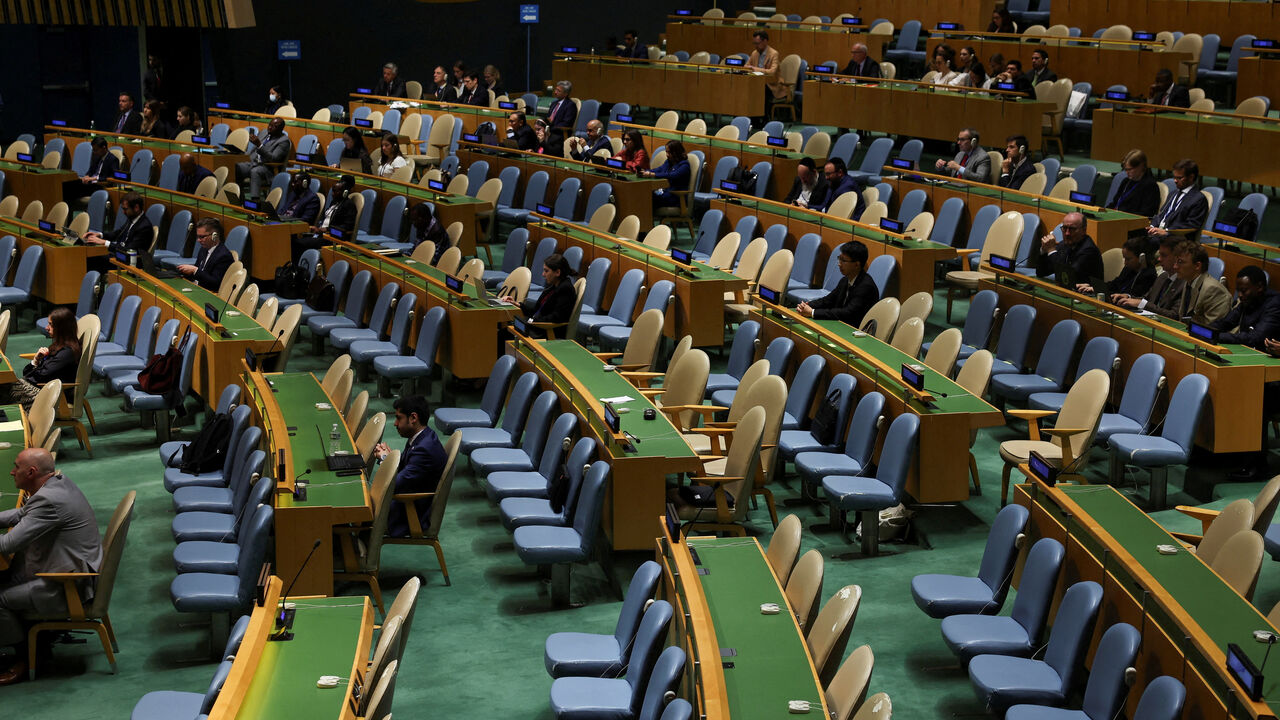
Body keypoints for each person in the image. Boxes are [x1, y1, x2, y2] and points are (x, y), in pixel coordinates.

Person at [0, 448, 102, 683]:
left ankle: (25, 657)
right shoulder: (57, 484)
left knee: (0, 599)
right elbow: (20, 515)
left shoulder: (48, 500)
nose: (12, 472)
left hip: (66, 583)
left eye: (17, 467)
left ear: (31, 472)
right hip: (64, 567)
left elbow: (7, 544)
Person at [373, 396, 447, 538]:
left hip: (407, 513)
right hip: (405, 503)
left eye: (398, 418)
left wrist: (383, 459)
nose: (395, 423)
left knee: (354, 514)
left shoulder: (424, 449)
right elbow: (407, 470)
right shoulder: (423, 437)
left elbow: (393, 485)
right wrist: (389, 459)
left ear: (413, 418)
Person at [7, 308, 82, 409]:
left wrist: (35, 369)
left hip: (48, 394)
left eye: (51, 325)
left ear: (62, 328)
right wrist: (36, 360)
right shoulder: (58, 346)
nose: (47, 328)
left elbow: (40, 376)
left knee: (4, 388)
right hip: (39, 387)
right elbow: (30, 374)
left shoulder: (67, 353)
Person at [795, 240, 878, 327]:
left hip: (855, 330)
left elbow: (848, 313)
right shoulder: (845, 280)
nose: (839, 264)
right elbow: (828, 300)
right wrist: (807, 305)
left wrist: (812, 312)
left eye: (844, 260)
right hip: (841, 324)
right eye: (839, 259)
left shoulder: (865, 286)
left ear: (856, 264)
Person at [501, 253, 578, 337]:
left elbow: (557, 318)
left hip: (547, 332)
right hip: (537, 326)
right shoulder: (553, 285)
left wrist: (532, 320)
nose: (543, 274)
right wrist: (518, 304)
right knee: (504, 332)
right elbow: (536, 310)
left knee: (503, 335)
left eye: (546, 271)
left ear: (557, 272)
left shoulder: (565, 289)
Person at [1158, 240, 1232, 324]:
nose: (1175, 266)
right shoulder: (1189, 282)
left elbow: (1211, 329)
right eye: (1175, 262)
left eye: (1180, 262)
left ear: (1197, 265)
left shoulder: (1213, 290)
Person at [1112, 235, 1183, 313]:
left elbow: (1173, 315)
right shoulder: (1163, 277)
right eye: (1160, 255)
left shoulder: (1184, 284)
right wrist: (1128, 297)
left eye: (1164, 255)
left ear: (1177, 258)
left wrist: (1142, 304)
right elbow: (1146, 298)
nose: (1159, 259)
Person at [1214, 265, 1280, 347]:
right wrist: (1205, 330)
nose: (1240, 295)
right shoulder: (1248, 301)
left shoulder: (1275, 305)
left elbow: (1256, 338)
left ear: (1259, 287)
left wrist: (1216, 336)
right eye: (1238, 291)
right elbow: (1225, 323)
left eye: (1243, 291)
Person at [1036, 212, 1104, 286]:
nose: (1067, 233)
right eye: (1064, 228)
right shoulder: (1064, 245)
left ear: (1083, 230)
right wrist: (1044, 250)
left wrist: (1052, 251)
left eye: (1072, 229)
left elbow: (1067, 277)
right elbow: (1041, 272)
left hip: (1086, 294)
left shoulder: (1089, 250)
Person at [1077, 236, 1156, 298]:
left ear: (1141, 258)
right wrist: (1093, 287)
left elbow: (1132, 296)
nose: (1125, 263)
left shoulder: (1149, 275)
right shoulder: (1129, 268)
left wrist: (1101, 291)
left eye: (1128, 259)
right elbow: (1115, 284)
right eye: (1124, 258)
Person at [1147, 158, 1207, 238]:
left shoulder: (1198, 199)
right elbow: (1161, 214)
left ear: (1191, 177)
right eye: (1174, 177)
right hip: (1158, 234)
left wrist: (1167, 232)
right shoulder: (1173, 193)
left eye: (1179, 178)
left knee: (1133, 245)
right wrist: (1152, 226)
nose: (1175, 180)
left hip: (1175, 239)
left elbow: (1191, 226)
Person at [235, 117, 292, 198]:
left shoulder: (284, 141)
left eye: (274, 126)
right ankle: (239, 197)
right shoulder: (264, 132)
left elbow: (274, 158)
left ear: (280, 129)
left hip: (267, 168)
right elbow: (253, 151)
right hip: (253, 163)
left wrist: (259, 145)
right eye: (269, 125)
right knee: (237, 167)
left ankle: (255, 200)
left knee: (255, 171)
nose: (270, 127)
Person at [84, 191, 153, 258]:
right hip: (118, 255)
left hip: (127, 263)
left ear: (136, 208)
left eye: (125, 209)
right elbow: (118, 233)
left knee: (91, 258)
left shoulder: (144, 227)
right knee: (88, 253)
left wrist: (105, 242)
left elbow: (129, 250)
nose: (123, 212)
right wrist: (100, 235)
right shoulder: (133, 218)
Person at [176, 218, 233, 291]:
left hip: (209, 292)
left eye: (202, 237)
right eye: (198, 236)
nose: (198, 240)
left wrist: (195, 270)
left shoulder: (224, 256)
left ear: (214, 236)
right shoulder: (203, 249)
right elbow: (198, 274)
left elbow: (215, 283)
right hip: (197, 287)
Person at [1107, 148, 1161, 218]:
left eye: (1130, 169)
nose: (1127, 172)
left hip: (1133, 222)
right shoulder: (1126, 182)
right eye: (1125, 169)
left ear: (1141, 166)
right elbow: (1115, 203)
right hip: (1118, 217)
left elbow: (1147, 213)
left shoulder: (1151, 186)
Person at [641, 140, 691, 208]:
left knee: (649, 198)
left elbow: (672, 175)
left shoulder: (685, 166)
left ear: (677, 152)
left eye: (669, 152)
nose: (667, 155)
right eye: (666, 152)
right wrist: (645, 171)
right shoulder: (669, 162)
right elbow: (659, 170)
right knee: (644, 194)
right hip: (665, 193)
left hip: (676, 197)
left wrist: (652, 174)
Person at [746, 30, 782, 120]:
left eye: (757, 43)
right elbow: (746, 66)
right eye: (754, 43)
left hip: (771, 85)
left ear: (765, 41)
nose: (756, 46)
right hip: (756, 82)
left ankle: (764, 118)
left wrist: (755, 69)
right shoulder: (755, 53)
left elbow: (772, 71)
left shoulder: (774, 54)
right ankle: (752, 118)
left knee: (762, 90)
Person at [545, 81, 578, 157]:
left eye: (558, 91)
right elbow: (548, 118)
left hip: (560, 133)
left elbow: (566, 123)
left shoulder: (570, 105)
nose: (555, 92)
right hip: (549, 129)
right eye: (555, 90)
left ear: (566, 94)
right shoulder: (554, 103)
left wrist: (551, 126)